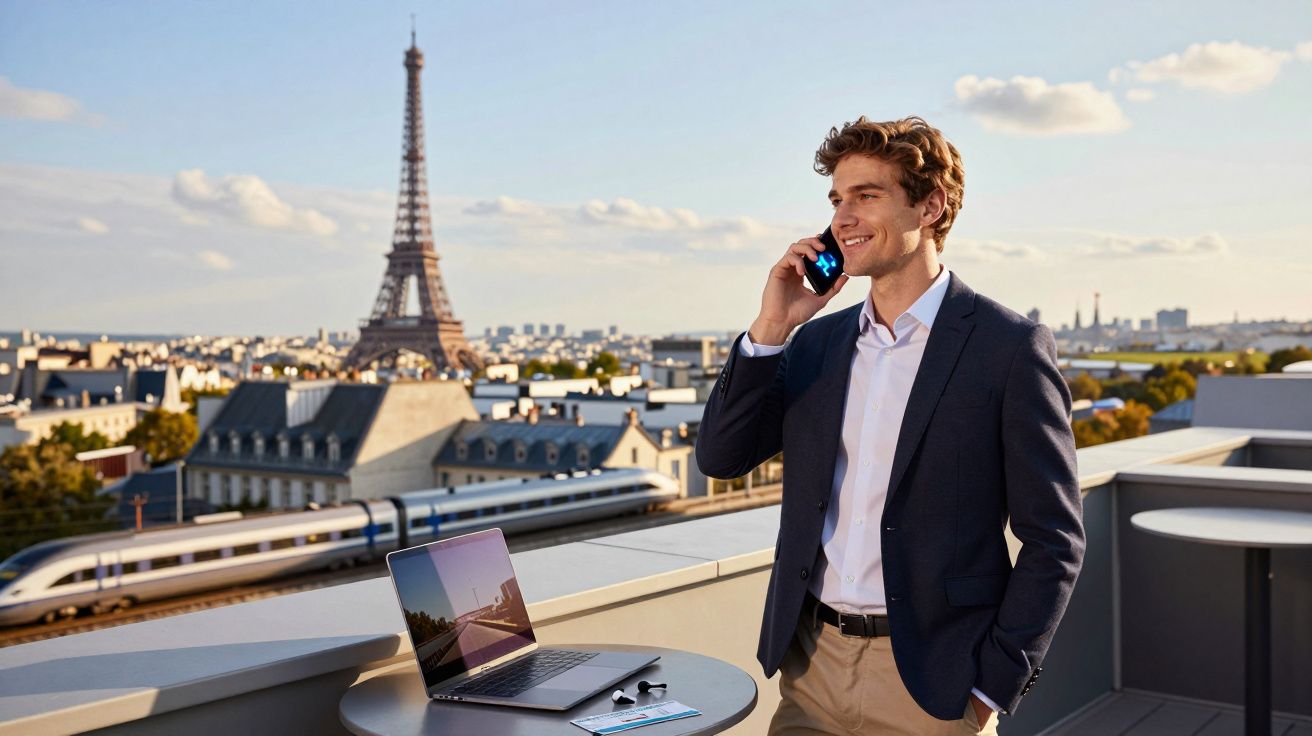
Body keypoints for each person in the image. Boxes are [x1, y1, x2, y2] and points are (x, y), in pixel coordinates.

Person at [696, 116, 1085, 735]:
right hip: (811, 667)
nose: (842, 218)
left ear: (931, 207)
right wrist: (772, 328)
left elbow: (1055, 538)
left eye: (866, 196)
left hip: (934, 682)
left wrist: (991, 685)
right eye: (836, 200)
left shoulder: (1007, 348)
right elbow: (720, 457)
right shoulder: (817, 344)